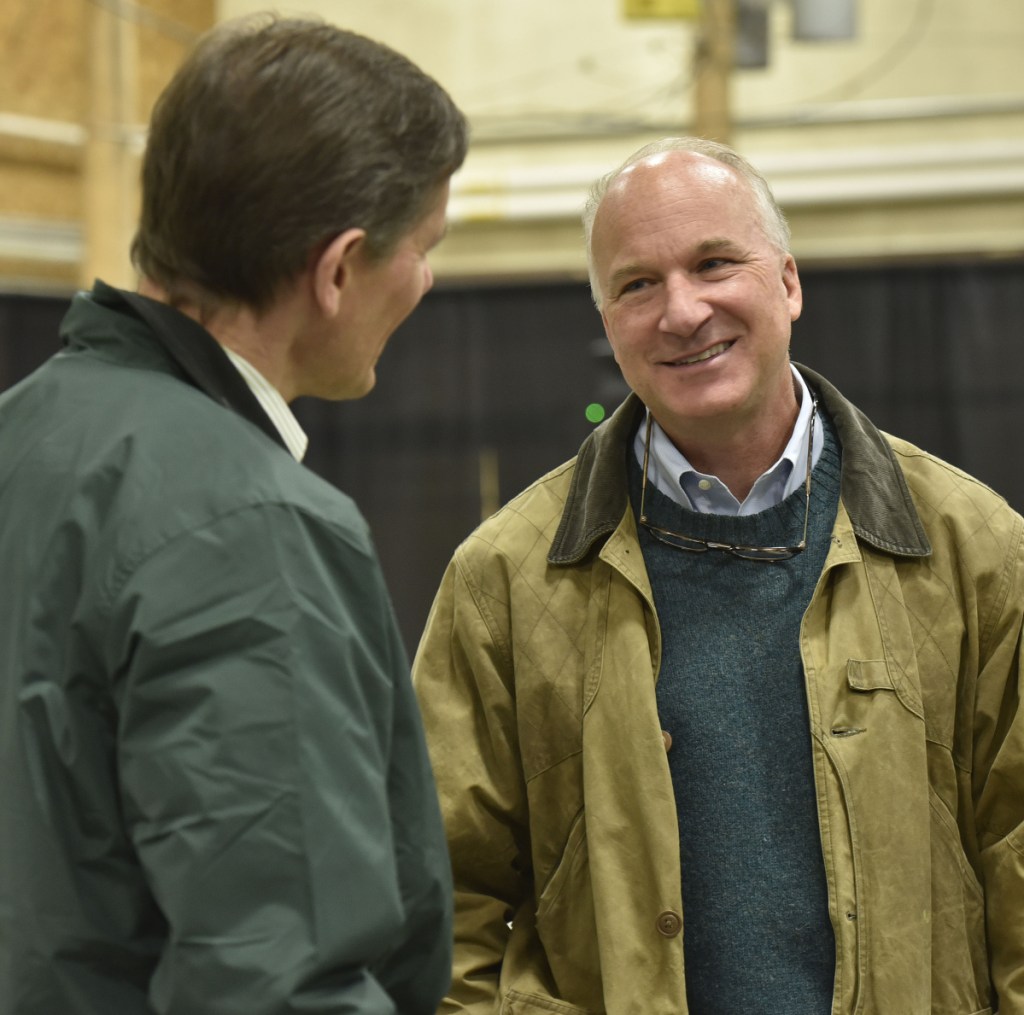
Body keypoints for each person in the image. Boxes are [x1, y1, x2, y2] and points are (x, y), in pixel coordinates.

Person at [413, 137, 1024, 1014]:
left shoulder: (976, 550)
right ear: (606, 319)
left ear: (787, 282)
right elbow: (443, 897)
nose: (682, 310)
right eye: (636, 285)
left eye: (713, 263)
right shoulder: (503, 582)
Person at [0, 15, 467, 1015]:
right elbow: (276, 978)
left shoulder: (25, 434)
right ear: (337, 271)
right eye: (424, 247)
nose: (425, 280)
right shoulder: (246, 527)